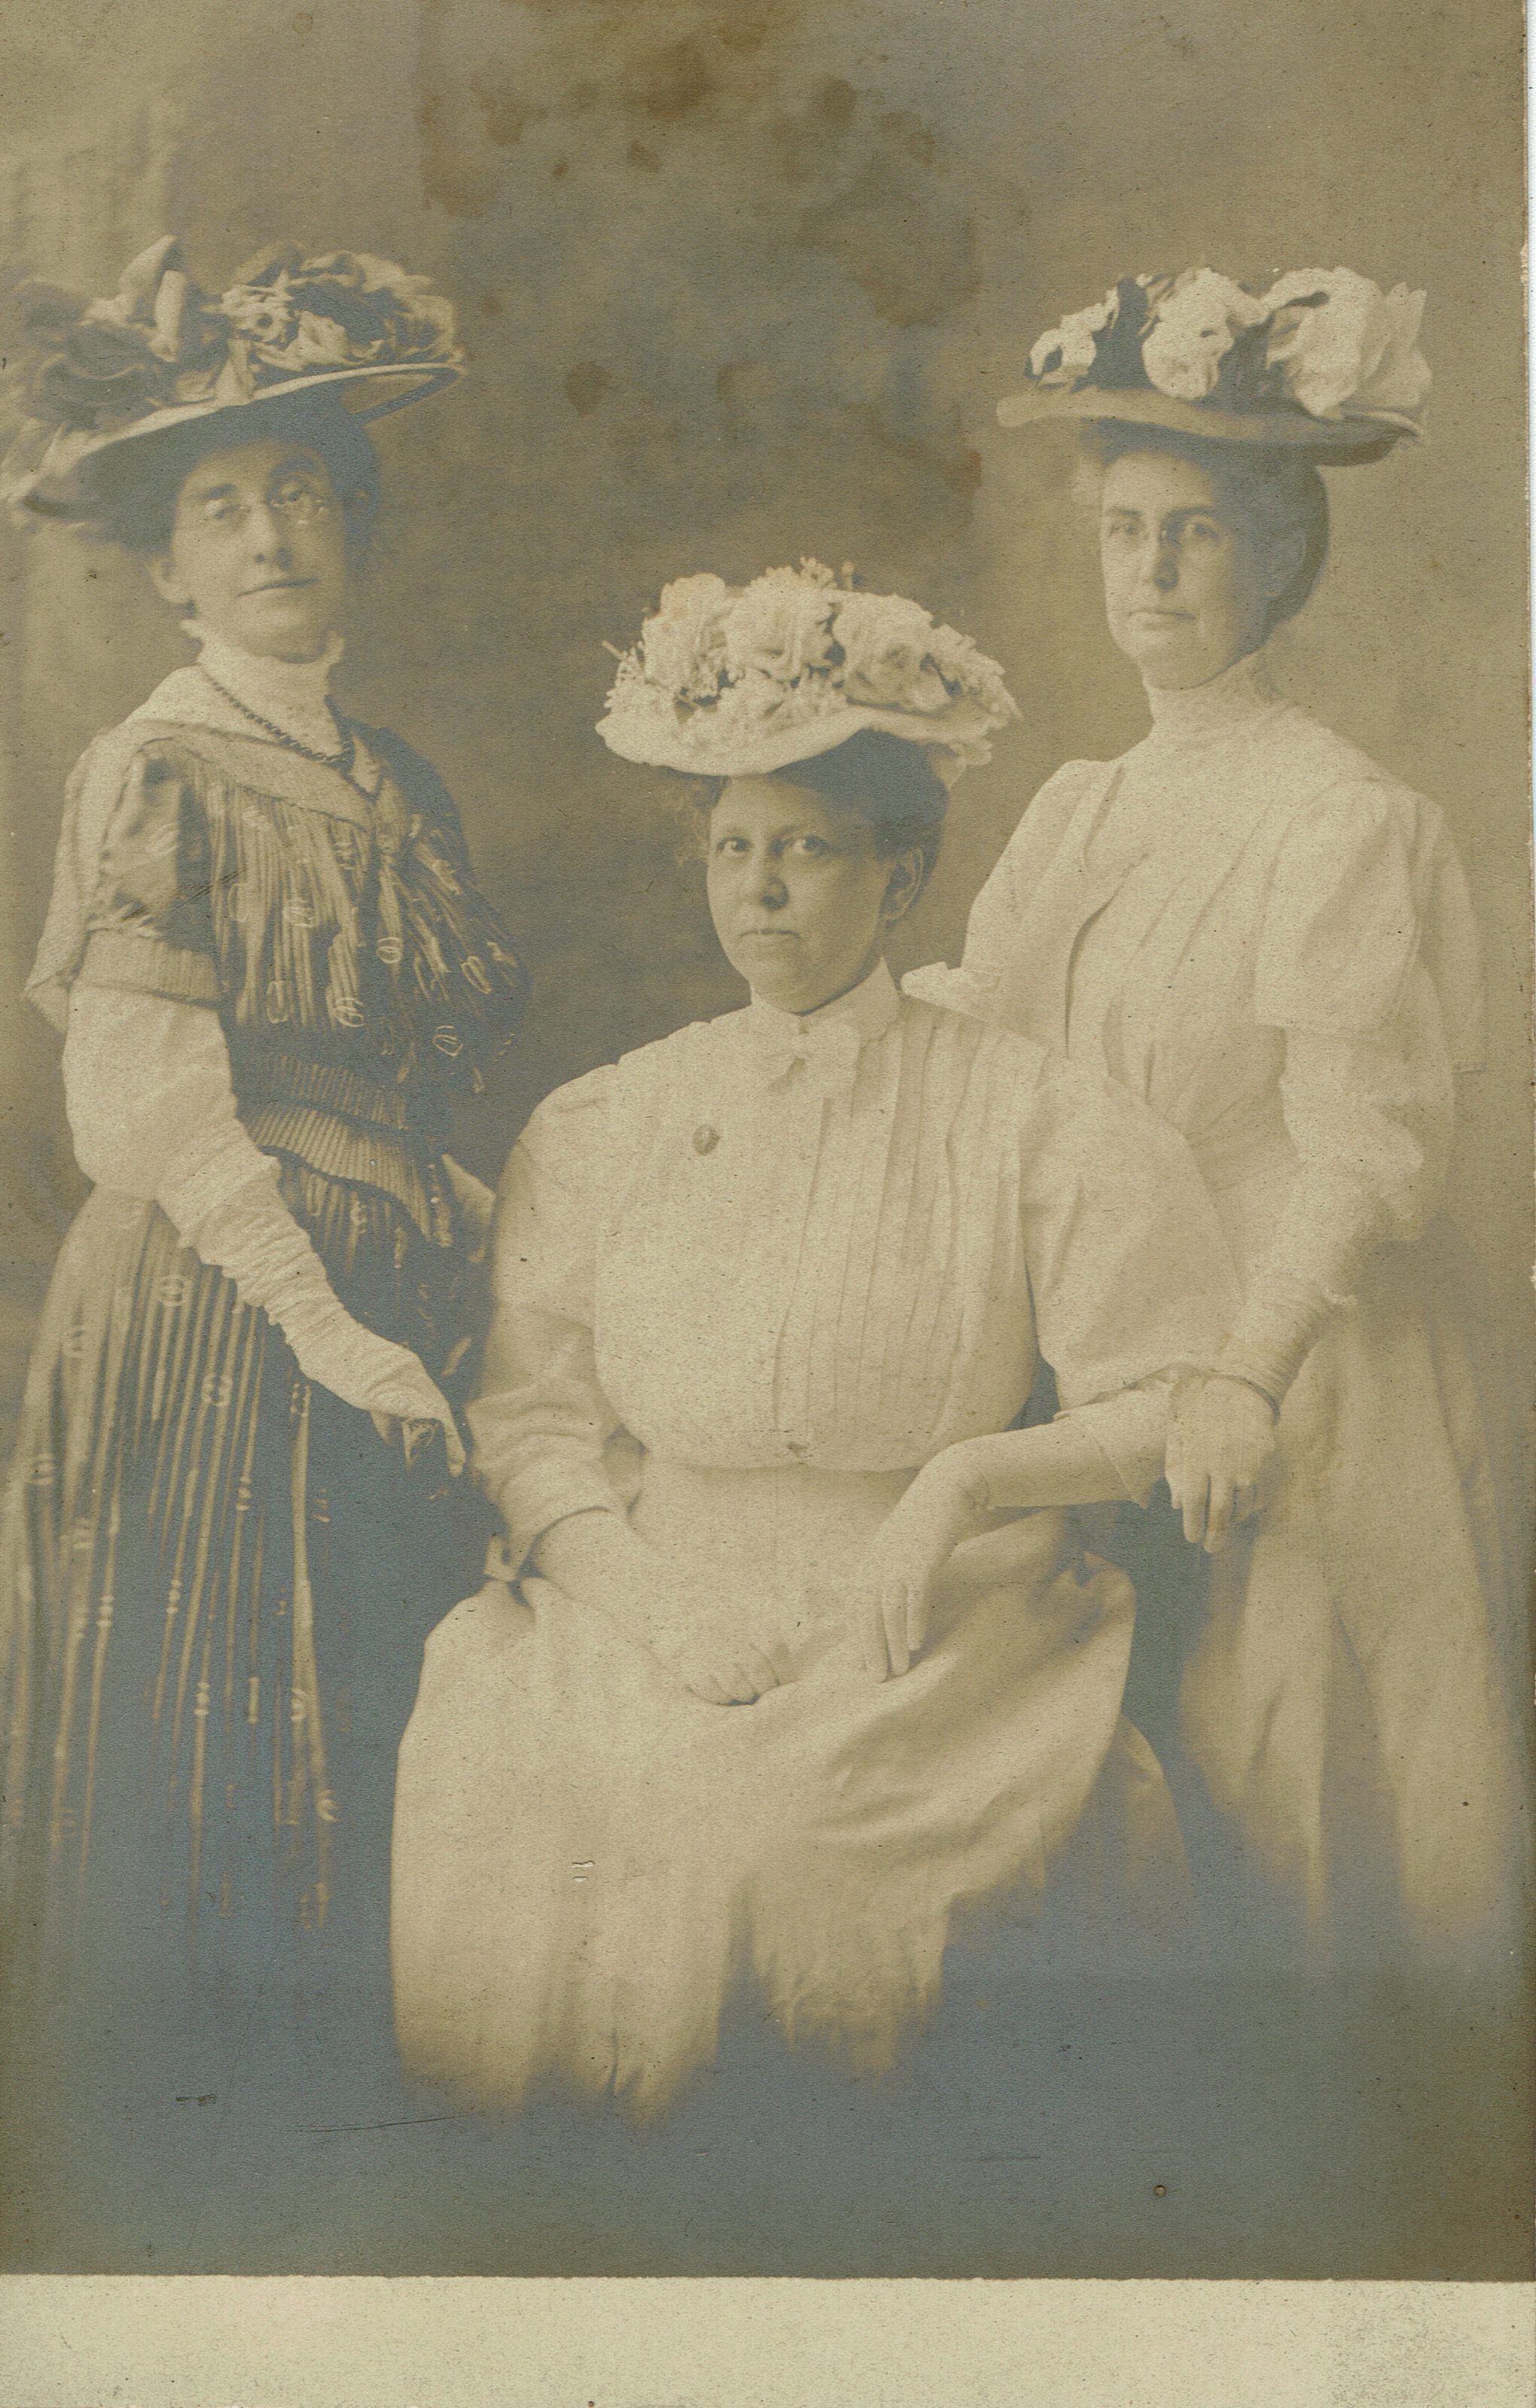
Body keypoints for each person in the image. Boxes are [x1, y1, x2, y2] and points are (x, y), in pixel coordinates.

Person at [391, 560, 1236, 2125]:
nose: (760, 891)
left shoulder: (1028, 1115)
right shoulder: (613, 1116)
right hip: (642, 1590)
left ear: (899, 880)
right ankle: (571, 2208)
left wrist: (963, 1484)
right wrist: (651, 1601)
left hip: (933, 1611)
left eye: (807, 850)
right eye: (734, 849)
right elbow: (533, 1420)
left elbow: (1171, 1397)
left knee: (765, 1835)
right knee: (506, 1754)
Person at [0, 239, 526, 2268]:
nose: (271, 535)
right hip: (218, 1311)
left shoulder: (397, 784)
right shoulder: (157, 767)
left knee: (380, 1709)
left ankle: (358, 2208)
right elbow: (136, 1105)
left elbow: (413, 1096)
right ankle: (197, 2217)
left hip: (379, 1311)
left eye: (303, 490)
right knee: (225, 1725)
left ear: (354, 521)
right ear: (166, 564)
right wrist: (321, 1321)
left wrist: (458, 1256)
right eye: (221, 506)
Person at [907, 264, 1528, 1977]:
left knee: (1303, 1797)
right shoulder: (1081, 806)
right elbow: (985, 1037)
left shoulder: (1337, 818)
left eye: (1195, 533)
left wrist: (1245, 1377)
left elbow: (1358, 1150)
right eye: (1126, 532)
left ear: (1278, 554)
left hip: (1307, 1358)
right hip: (1122, 1347)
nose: (1155, 572)